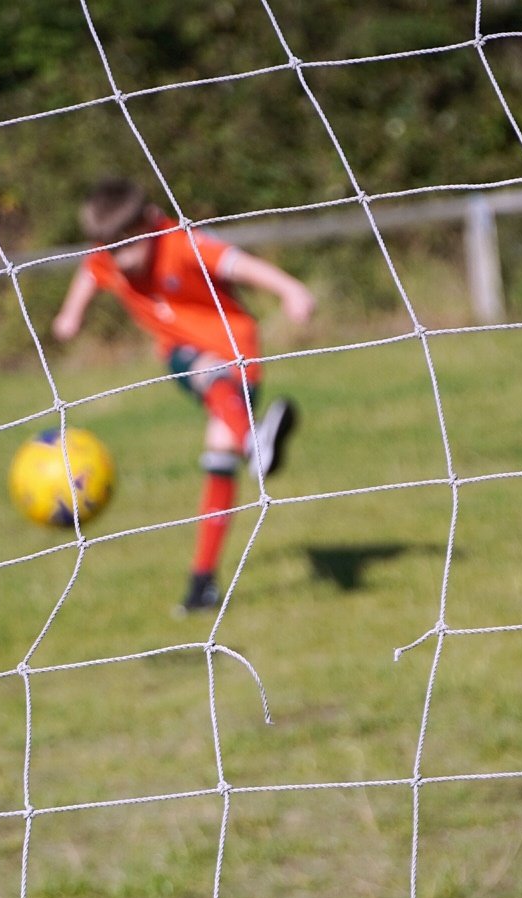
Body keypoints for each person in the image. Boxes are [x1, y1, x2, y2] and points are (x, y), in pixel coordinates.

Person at [52, 177, 315, 613]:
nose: (122, 260)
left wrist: (290, 289)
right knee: (203, 374)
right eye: (112, 250)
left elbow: (238, 263)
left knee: (219, 456)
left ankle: (202, 585)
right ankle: (257, 446)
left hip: (239, 353)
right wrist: (70, 314)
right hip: (183, 354)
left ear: (149, 222)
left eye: (129, 246)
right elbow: (89, 270)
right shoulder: (109, 258)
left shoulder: (182, 243)